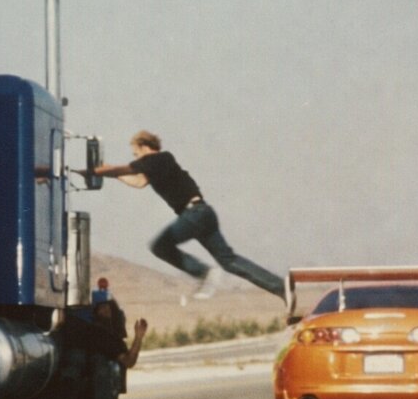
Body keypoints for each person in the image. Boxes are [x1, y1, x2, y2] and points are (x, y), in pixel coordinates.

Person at [79, 130, 288, 309]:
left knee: (160, 246)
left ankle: (204, 272)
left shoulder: (159, 158)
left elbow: (125, 169)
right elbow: (137, 182)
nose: (135, 156)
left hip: (194, 215)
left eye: (135, 152)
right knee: (230, 261)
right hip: (203, 213)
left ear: (143, 147)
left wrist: (92, 171)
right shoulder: (158, 166)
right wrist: (107, 172)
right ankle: (280, 287)